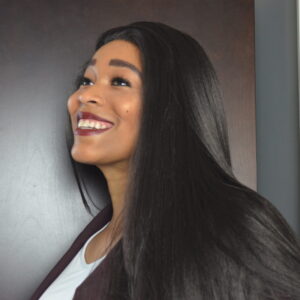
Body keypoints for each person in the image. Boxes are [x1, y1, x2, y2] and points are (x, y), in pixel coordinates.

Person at [30, 21, 300, 300]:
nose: (85, 95)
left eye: (120, 81)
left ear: (172, 107)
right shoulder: (95, 237)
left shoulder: (229, 226)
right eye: (87, 80)